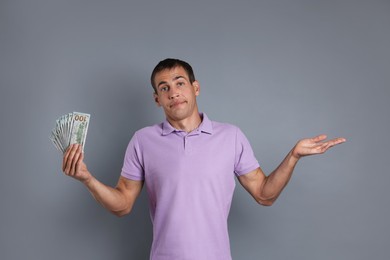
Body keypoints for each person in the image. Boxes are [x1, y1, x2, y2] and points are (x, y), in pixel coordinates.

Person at [62, 58, 346, 260]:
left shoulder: (231, 136)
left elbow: (264, 194)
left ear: (195, 88)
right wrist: (87, 178)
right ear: (156, 99)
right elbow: (122, 205)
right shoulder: (142, 140)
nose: (173, 92)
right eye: (164, 88)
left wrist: (293, 155)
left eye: (179, 83)